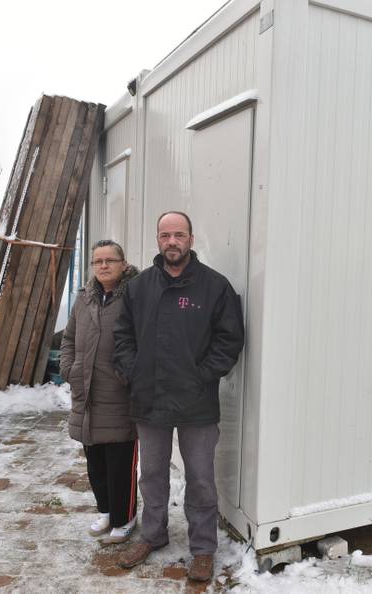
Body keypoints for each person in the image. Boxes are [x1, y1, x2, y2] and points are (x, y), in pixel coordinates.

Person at [114, 211, 244, 582]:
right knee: (152, 474)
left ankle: (203, 548)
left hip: (197, 402)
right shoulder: (138, 288)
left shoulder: (214, 286)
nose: (172, 241)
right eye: (165, 235)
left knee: (201, 477)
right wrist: (133, 371)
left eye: (179, 235)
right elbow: (123, 337)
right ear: (157, 239)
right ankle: (152, 536)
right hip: (149, 399)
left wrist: (203, 376)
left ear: (190, 238)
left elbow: (229, 340)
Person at [60, 240, 140, 544]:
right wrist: (70, 369)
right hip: (86, 392)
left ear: (123, 263)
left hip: (119, 394)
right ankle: (106, 511)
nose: (103, 266)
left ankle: (126, 517)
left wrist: (128, 375)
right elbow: (68, 338)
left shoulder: (134, 296)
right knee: (95, 463)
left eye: (110, 260)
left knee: (121, 463)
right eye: (98, 261)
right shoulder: (84, 298)